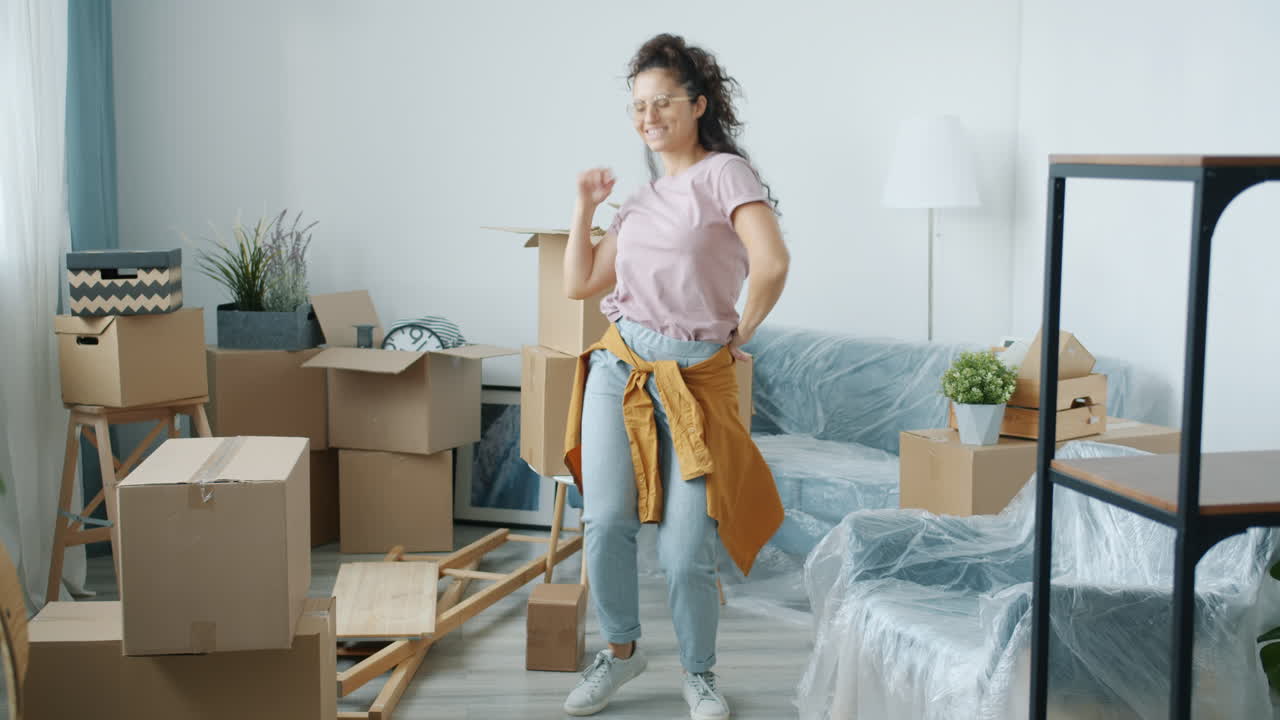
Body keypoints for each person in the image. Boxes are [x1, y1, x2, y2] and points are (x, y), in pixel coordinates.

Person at [559, 32, 790, 720]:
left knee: (686, 551)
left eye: (662, 102)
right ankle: (622, 654)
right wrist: (583, 207)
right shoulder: (637, 202)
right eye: (638, 107)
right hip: (620, 370)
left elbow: (771, 264)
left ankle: (700, 673)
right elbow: (578, 283)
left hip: (694, 382)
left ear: (697, 104)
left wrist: (737, 335)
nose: (649, 117)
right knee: (604, 522)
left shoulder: (724, 174)